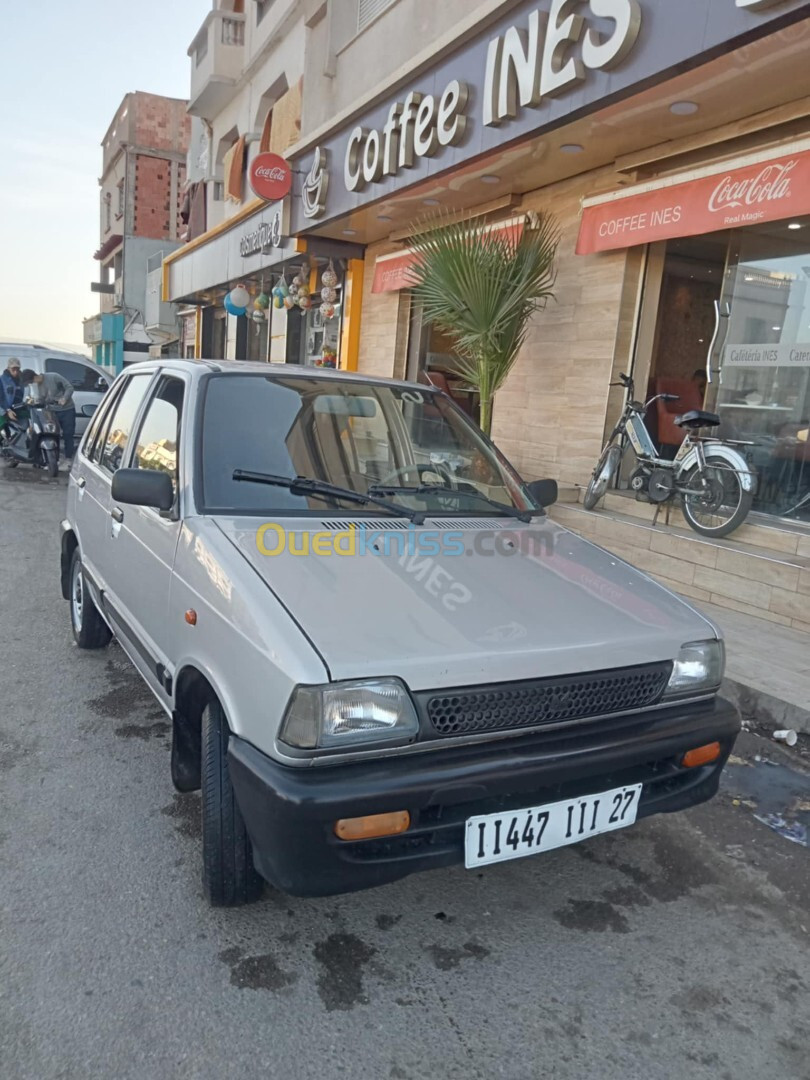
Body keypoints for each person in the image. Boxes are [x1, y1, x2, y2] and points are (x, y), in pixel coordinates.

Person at [21, 369, 77, 459]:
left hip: (67, 410)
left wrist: (64, 398)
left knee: (68, 434)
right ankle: (53, 459)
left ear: (35, 376)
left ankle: (68, 458)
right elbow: (40, 399)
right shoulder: (36, 387)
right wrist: (33, 401)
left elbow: (69, 387)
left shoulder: (53, 376)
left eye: (31, 381)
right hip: (51, 411)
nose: (31, 384)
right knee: (52, 434)